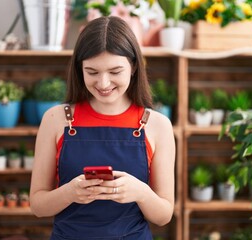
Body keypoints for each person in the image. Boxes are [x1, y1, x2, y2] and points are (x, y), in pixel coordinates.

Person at [30, 16, 176, 240]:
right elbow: (38, 205)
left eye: (115, 72)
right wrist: (69, 192)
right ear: (79, 69)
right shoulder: (56, 119)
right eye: (92, 72)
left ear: (134, 66)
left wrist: (140, 192)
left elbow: (163, 215)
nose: (103, 83)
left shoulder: (157, 125)